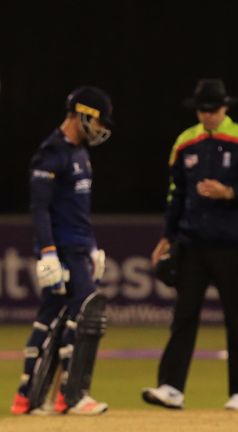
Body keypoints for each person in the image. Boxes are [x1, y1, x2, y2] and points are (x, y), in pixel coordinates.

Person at [142, 79, 238, 411]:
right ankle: (171, 388)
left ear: (225, 108)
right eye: (202, 110)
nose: (207, 116)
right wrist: (166, 238)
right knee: (183, 316)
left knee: (237, 317)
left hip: (233, 245)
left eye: (213, 110)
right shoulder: (186, 142)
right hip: (192, 244)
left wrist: (229, 193)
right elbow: (175, 196)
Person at [11, 86, 113, 415]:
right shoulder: (50, 153)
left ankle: (26, 398)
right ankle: (70, 397)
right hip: (63, 250)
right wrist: (48, 252)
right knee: (85, 316)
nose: (100, 130)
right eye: (98, 122)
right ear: (82, 115)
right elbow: (40, 209)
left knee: (52, 318)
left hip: (80, 247)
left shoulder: (81, 154)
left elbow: (78, 212)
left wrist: (93, 248)